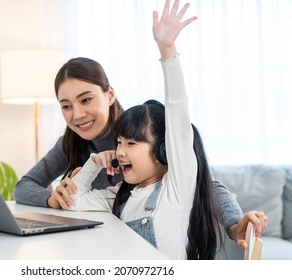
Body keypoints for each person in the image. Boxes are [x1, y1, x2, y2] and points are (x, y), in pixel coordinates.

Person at [14, 0, 267, 249]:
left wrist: (168, 52)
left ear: (109, 95)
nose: (77, 114)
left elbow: (204, 180)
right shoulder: (111, 182)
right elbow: (34, 190)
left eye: (86, 99)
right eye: (66, 105)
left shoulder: (145, 129)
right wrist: (56, 196)